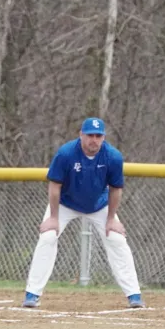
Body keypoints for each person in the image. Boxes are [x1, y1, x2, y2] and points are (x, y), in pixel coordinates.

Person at [22, 117, 144, 309]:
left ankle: (134, 295)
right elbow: (55, 186)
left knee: (117, 239)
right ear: (81, 135)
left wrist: (111, 219)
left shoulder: (112, 156)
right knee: (47, 237)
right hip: (65, 203)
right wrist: (53, 218)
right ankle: (32, 294)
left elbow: (116, 189)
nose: (93, 140)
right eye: (89, 135)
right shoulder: (66, 153)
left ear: (103, 137)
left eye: (98, 136)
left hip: (99, 205)